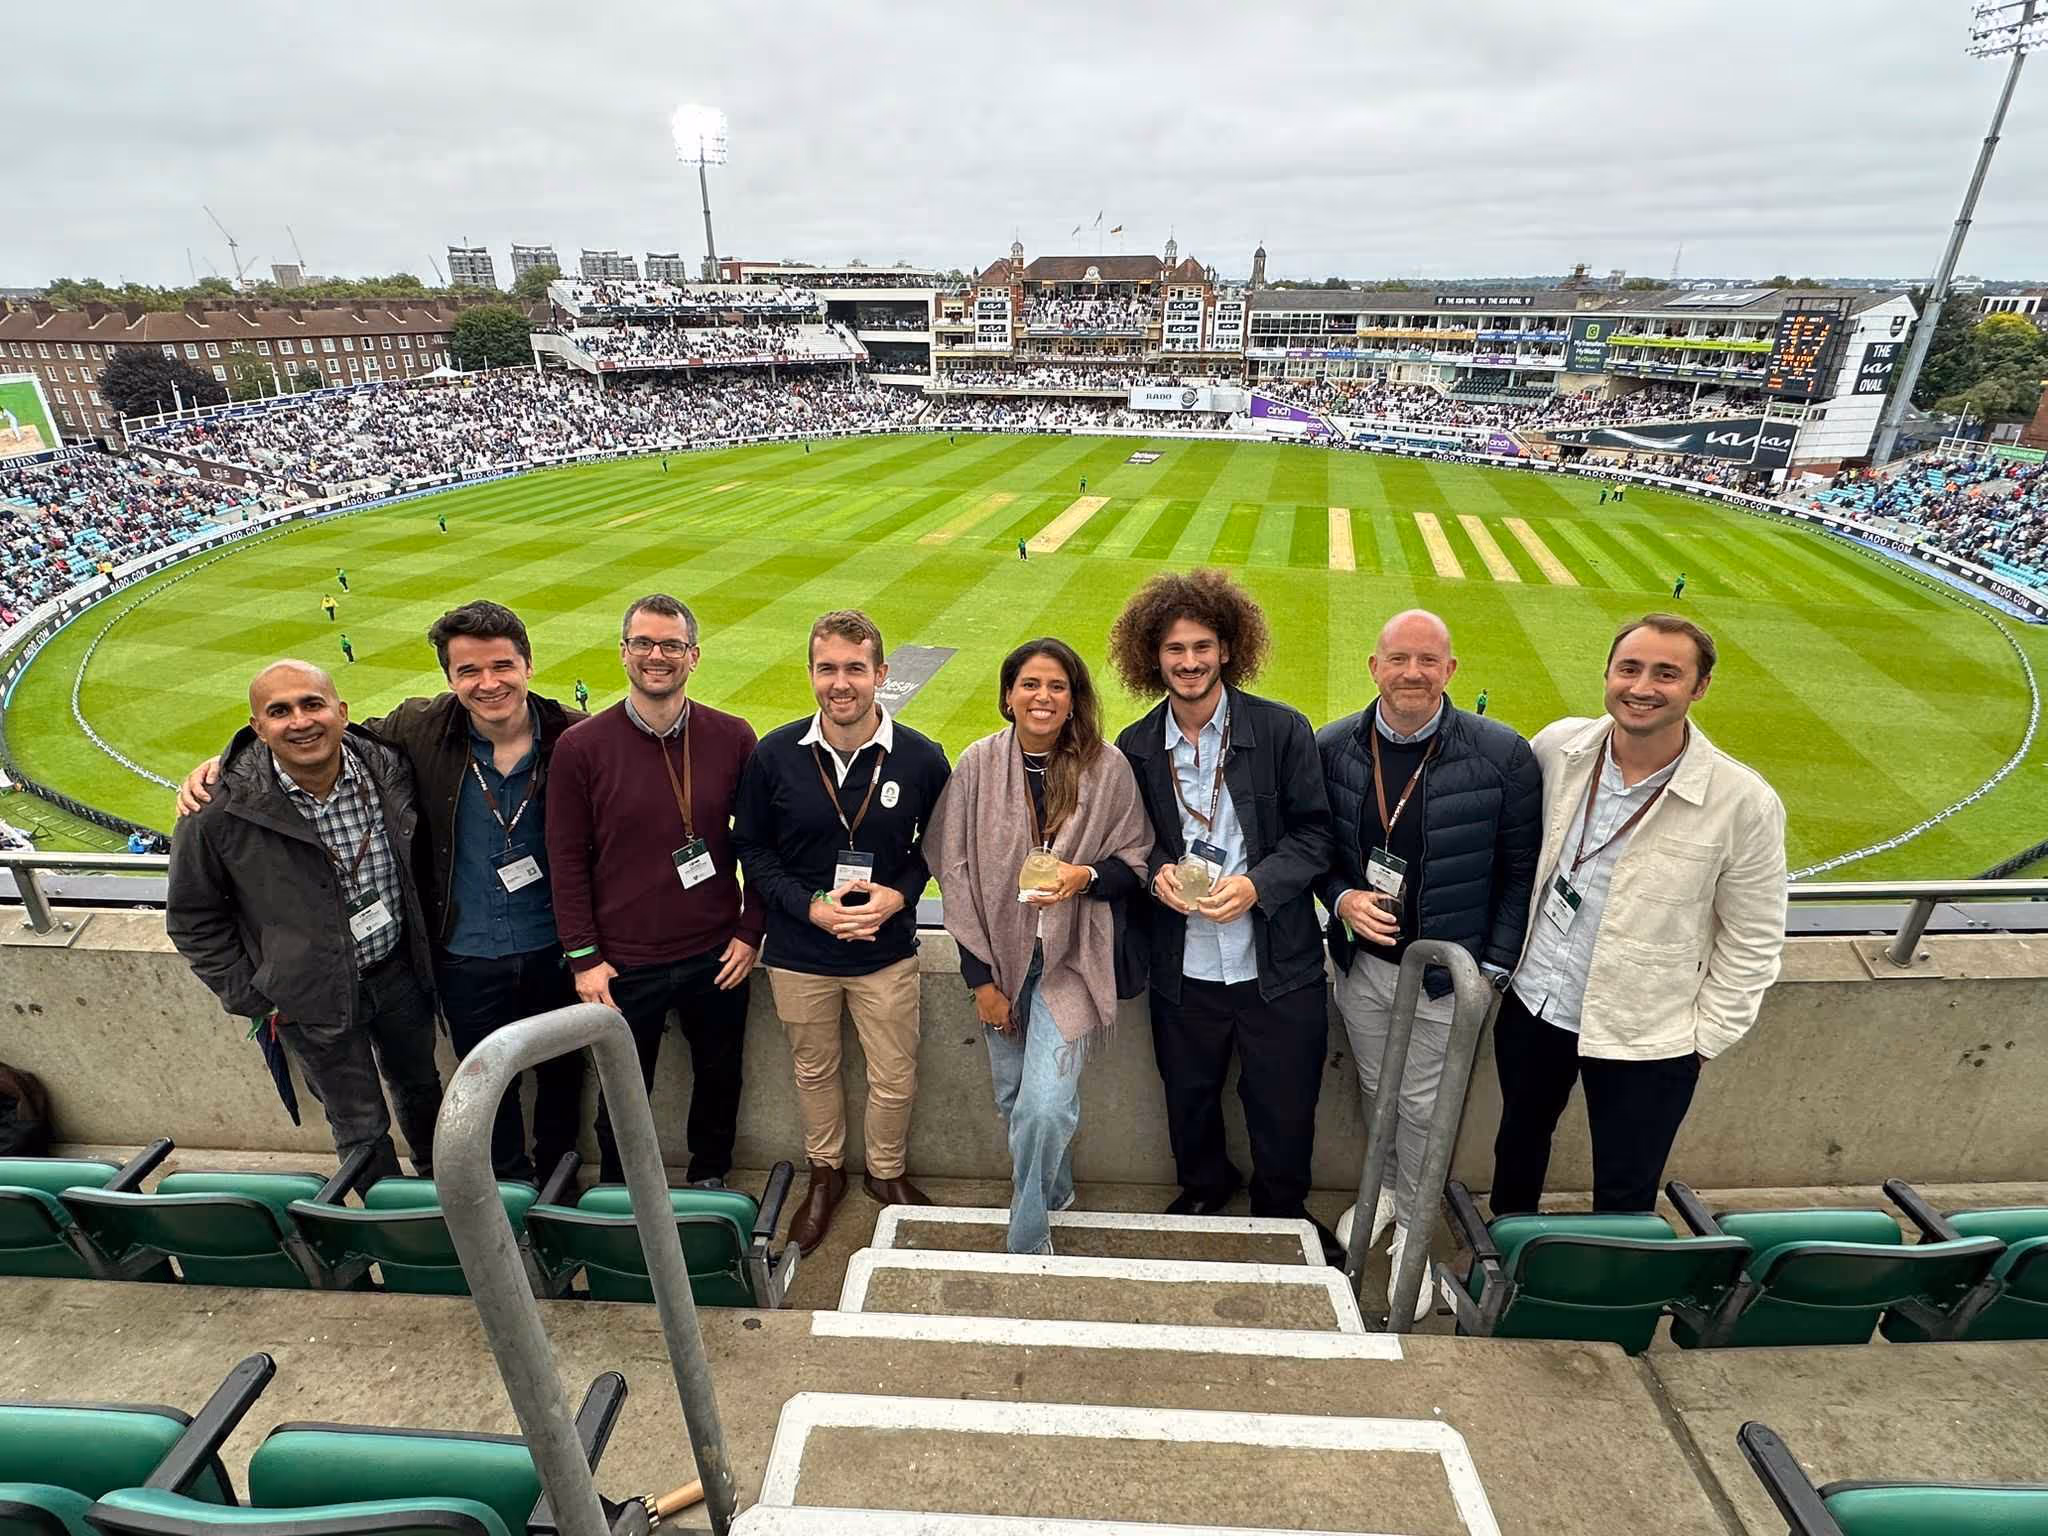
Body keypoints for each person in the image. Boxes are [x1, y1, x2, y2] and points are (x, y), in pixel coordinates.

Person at [175, 601, 590, 1184]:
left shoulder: (570, 736)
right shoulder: (416, 731)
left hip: (505, 958)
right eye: (469, 670)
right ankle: (480, 1196)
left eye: (502, 665)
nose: (488, 682)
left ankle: (536, 1185)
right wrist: (227, 763)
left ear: (528, 665)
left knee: (516, 1081)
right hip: (447, 963)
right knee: (419, 1104)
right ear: (449, 679)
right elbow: (193, 916)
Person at [1490, 614, 1787, 1216]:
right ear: (1607, 674)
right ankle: (1504, 1254)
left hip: (1649, 1035)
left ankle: (1612, 1272)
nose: (1642, 687)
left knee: (1626, 1189)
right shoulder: (1558, 747)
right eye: (1629, 668)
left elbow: (1754, 938)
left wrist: (1705, 1040)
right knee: (1516, 1147)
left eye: (1666, 673)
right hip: (1535, 1001)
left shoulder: (1744, 802)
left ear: (1699, 687)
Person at [1108, 570, 1339, 1261]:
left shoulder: (1282, 729)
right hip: (1182, 963)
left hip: (1277, 961)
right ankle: (1205, 1186)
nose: (1189, 662)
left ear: (1229, 649)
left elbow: (1316, 836)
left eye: (1202, 646)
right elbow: (1131, 843)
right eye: (1175, 649)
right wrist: (1156, 873)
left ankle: (1283, 1208)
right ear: (1153, 658)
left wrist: (1257, 886)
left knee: (1284, 1098)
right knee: (1189, 1091)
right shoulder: (1135, 745)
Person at [1316, 610, 1541, 1316]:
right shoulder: (1331, 747)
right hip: (1363, 965)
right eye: (1398, 659)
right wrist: (1342, 897)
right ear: (1374, 667)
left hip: (1448, 976)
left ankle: (1414, 1231)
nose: (1412, 673)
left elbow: (1519, 872)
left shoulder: (1503, 754)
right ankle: (1386, 1190)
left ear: (1450, 671)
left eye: (1427, 660)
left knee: (1421, 1106)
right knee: (1379, 1090)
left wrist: (1492, 969)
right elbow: (1316, 850)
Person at [167, 660, 442, 1186]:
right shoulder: (215, 809)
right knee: (359, 1124)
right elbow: (192, 918)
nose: (300, 721)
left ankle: (441, 1193)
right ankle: (390, 1224)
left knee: (422, 1089)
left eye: (312, 704)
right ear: (257, 728)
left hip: (397, 973)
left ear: (342, 711)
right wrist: (258, 997)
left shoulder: (390, 768)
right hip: (307, 998)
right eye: (280, 711)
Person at [734, 611, 953, 1252]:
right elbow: (753, 848)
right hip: (801, 952)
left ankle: (885, 1175)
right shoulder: (774, 754)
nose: (840, 683)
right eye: (827, 668)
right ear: (810, 673)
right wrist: (810, 908)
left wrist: (898, 895)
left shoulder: (921, 757)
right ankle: (824, 1176)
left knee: (895, 1074)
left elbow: (939, 846)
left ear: (881, 674)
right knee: (813, 1071)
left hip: (885, 952)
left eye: (855, 668)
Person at [926, 639, 1149, 1255]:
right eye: (1029, 684)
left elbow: (1136, 862)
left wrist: (1086, 876)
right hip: (1000, 961)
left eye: (1056, 686)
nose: (1042, 697)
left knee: (1045, 1108)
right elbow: (955, 872)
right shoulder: (977, 763)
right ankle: (1058, 1189)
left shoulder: (1107, 768)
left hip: (1071, 963)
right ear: (1008, 696)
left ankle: (1027, 1237)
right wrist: (980, 982)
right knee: (1015, 1102)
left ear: (1074, 699)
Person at [548, 594, 762, 1185]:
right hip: (623, 963)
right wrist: (584, 958)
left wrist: (751, 929)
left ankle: (709, 1183)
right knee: (622, 1094)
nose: (656, 656)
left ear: (694, 655)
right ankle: (622, 1197)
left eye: (671, 644)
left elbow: (759, 843)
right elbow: (565, 859)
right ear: (623, 653)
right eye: (642, 643)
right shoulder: (581, 747)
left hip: (716, 953)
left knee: (720, 1079)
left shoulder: (733, 736)